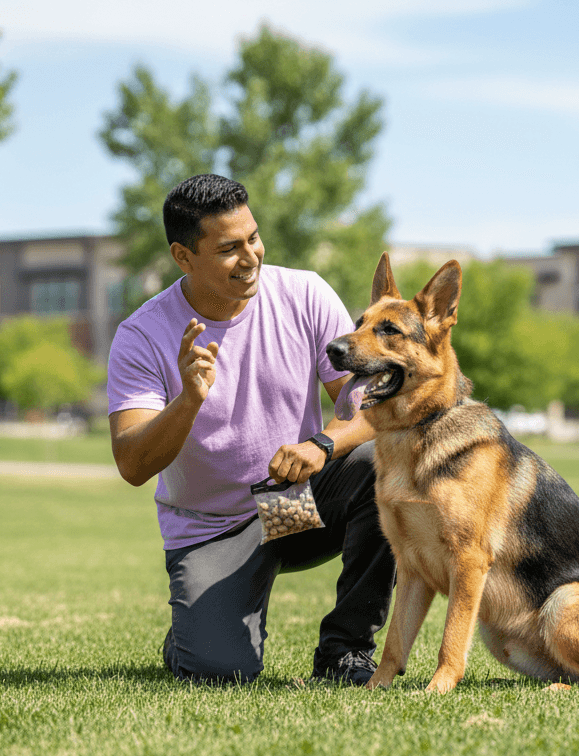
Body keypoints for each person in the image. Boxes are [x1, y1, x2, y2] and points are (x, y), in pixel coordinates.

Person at [106, 174, 395, 685]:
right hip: (213, 526)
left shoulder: (304, 294)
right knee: (221, 671)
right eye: (228, 248)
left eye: (253, 238)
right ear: (183, 256)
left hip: (293, 507)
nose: (250, 256)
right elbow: (132, 464)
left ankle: (345, 652)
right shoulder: (142, 335)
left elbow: (372, 408)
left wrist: (323, 444)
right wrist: (188, 401)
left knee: (382, 466)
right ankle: (192, 635)